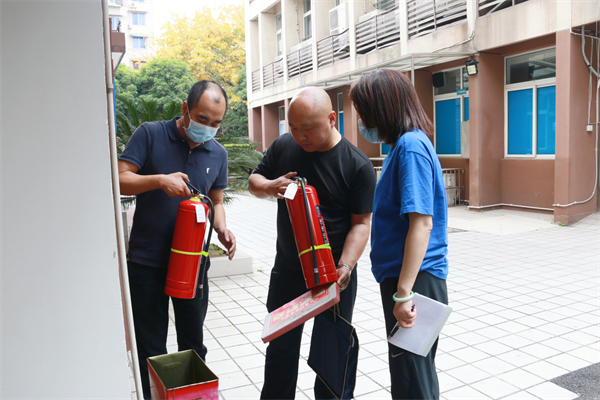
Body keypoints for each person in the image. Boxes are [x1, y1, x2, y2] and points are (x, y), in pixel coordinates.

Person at [248, 87, 376, 400]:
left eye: (307, 128)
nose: (300, 136)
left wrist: (346, 265)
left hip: (334, 275)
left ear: (332, 119)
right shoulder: (284, 146)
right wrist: (270, 186)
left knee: (332, 354)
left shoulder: (356, 165)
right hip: (288, 271)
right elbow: (254, 181)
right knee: (280, 350)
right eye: (293, 128)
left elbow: (361, 224)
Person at [118, 80, 236, 399]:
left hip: (193, 265)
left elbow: (217, 201)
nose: (208, 128)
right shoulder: (150, 134)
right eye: (202, 118)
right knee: (150, 347)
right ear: (185, 109)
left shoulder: (218, 153)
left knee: (193, 344)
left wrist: (222, 229)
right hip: (147, 262)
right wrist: (159, 180)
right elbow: (120, 178)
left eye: (215, 123)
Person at [350, 69, 449, 400]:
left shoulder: (410, 147)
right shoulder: (403, 146)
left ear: (382, 109)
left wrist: (404, 294)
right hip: (407, 278)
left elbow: (422, 224)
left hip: (414, 281)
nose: (363, 120)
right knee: (409, 374)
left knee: (412, 380)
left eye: (364, 111)